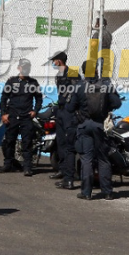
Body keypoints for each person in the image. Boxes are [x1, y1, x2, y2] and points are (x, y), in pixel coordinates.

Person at [75, 73, 121, 200]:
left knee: (86, 159)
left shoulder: (79, 86)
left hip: (84, 125)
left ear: (84, 72)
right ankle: (107, 192)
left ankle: (86, 193)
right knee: (103, 159)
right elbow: (117, 103)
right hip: (101, 126)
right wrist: (106, 106)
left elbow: (70, 106)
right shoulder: (106, 84)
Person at [0, 59, 42, 176]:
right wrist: (3, 113)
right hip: (12, 116)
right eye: (24, 67)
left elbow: (39, 98)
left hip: (26, 117)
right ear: (19, 68)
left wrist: (35, 111)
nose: (26, 69)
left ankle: (27, 167)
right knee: (9, 141)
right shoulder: (11, 81)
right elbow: (3, 98)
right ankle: (8, 164)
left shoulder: (33, 83)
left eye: (28, 67)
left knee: (27, 142)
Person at [49, 51, 80, 190]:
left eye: (54, 60)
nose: (53, 63)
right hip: (60, 111)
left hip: (69, 112)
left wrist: (70, 106)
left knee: (68, 145)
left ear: (59, 61)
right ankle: (62, 170)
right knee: (60, 142)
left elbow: (78, 91)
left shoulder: (72, 72)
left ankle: (69, 177)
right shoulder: (59, 75)